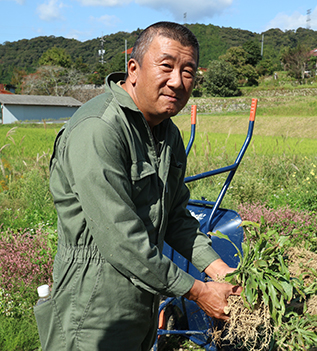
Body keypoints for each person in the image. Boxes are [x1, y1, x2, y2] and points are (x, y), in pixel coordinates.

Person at [34, 21, 242, 351]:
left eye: (188, 71)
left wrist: (219, 271)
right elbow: (121, 239)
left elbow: (176, 217)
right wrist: (198, 291)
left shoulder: (167, 134)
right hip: (93, 310)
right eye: (166, 66)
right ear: (133, 69)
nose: (177, 81)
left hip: (143, 302)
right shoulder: (99, 129)